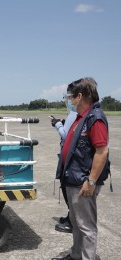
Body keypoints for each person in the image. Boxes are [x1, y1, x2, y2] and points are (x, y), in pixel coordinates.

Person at [52, 77, 110, 260]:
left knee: (86, 226)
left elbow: (102, 151)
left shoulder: (95, 118)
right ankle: (77, 255)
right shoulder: (81, 117)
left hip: (83, 181)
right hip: (73, 178)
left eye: (70, 97)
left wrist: (91, 181)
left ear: (80, 96)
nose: (69, 101)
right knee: (76, 223)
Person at [51, 84, 78, 234]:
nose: (67, 101)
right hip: (68, 155)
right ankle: (70, 217)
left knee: (67, 187)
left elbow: (66, 136)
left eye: (68, 98)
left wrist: (57, 125)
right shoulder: (73, 114)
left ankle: (72, 221)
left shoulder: (73, 115)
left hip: (67, 157)